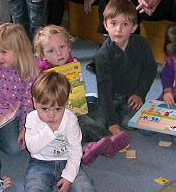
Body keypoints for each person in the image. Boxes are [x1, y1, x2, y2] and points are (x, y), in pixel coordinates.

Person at [33, 25, 131, 165]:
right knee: (82, 123)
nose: (59, 53)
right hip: (56, 117)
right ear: (42, 56)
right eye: (51, 51)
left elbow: (79, 91)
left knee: (94, 113)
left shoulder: (72, 65)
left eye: (62, 47)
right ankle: (107, 140)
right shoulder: (42, 75)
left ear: (69, 46)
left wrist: (79, 88)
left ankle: (91, 147)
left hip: (76, 107)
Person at [24, 71, 97, 192]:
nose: (51, 115)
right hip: (40, 164)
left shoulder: (70, 119)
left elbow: (75, 150)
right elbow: (32, 148)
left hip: (67, 160)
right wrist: (50, 130)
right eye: (45, 109)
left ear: (66, 104)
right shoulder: (32, 118)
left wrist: (69, 176)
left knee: (85, 187)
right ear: (35, 103)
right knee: (33, 188)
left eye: (58, 109)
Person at [94, 0, 157, 135]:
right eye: (113, 23)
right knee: (98, 124)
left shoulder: (142, 44)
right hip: (109, 97)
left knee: (135, 124)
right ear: (105, 25)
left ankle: (120, 116)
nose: (118, 29)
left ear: (134, 27)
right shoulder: (102, 55)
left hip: (131, 95)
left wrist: (140, 93)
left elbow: (150, 69)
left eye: (125, 24)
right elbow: (104, 90)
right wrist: (112, 123)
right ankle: (96, 105)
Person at [0, 23, 39, 155]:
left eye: (3, 52)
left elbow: (28, 103)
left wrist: (24, 128)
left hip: (23, 114)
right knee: (11, 147)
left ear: (19, 50)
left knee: (18, 147)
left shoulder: (29, 71)